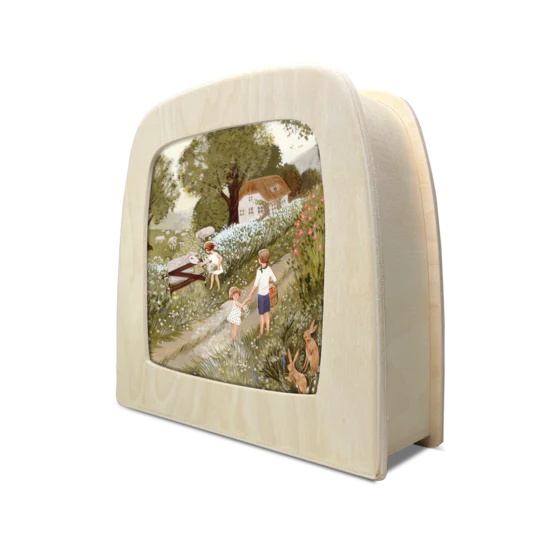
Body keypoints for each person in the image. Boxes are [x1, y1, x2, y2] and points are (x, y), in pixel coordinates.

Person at [249, 249, 276, 339]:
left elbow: (255, 284)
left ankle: (261, 333)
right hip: (267, 295)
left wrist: (250, 294)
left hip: (261, 296)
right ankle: (267, 331)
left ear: (261, 259)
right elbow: (274, 279)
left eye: (258, 258)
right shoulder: (269, 269)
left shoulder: (259, 271)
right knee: (267, 314)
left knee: (261, 316)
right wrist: (269, 286)